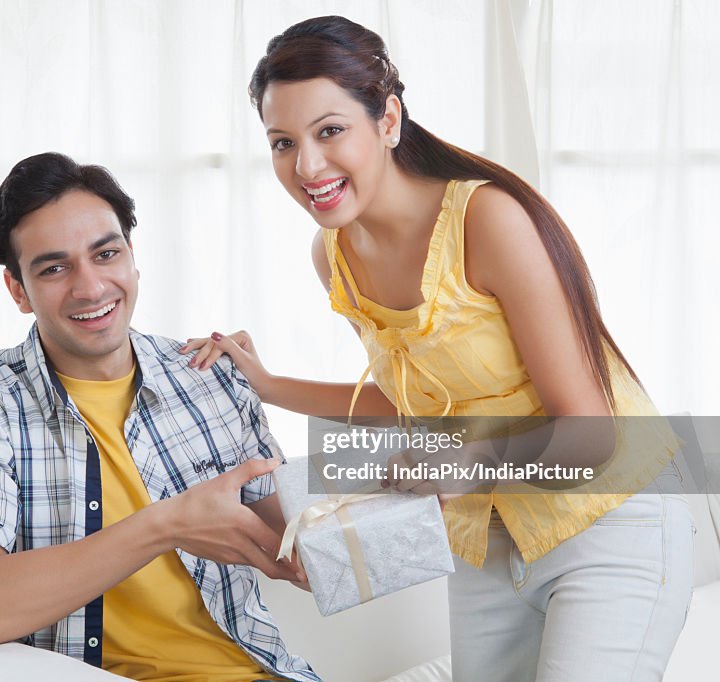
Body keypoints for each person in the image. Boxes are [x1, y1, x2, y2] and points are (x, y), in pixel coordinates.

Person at [183, 15, 693, 682]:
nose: (307, 166)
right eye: (283, 142)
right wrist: (268, 384)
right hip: (490, 540)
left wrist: (471, 461)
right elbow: (410, 405)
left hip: (610, 519)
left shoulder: (488, 220)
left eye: (330, 130)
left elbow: (591, 435)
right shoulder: (333, 253)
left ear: (388, 120)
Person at [0, 152, 318, 682]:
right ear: (18, 290)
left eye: (105, 254)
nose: (90, 287)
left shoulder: (208, 377)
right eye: (55, 268)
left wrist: (419, 485)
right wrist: (164, 525)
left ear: (132, 257)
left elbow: (307, 547)